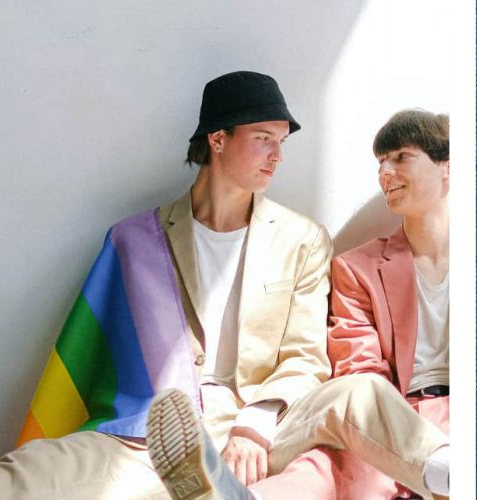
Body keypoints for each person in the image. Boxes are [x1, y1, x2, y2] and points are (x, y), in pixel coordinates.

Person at [0, 70, 333, 500]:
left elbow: (308, 359)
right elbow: (94, 349)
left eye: (282, 142)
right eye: (264, 138)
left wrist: (256, 424)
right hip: (154, 428)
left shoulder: (303, 240)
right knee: (50, 464)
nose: (277, 156)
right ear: (218, 139)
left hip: (251, 431)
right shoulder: (136, 239)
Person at [145, 109, 456, 500]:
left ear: (448, 166)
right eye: (381, 162)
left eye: (401, 157)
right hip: (393, 415)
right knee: (326, 464)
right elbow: (360, 370)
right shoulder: (356, 268)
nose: (385, 173)